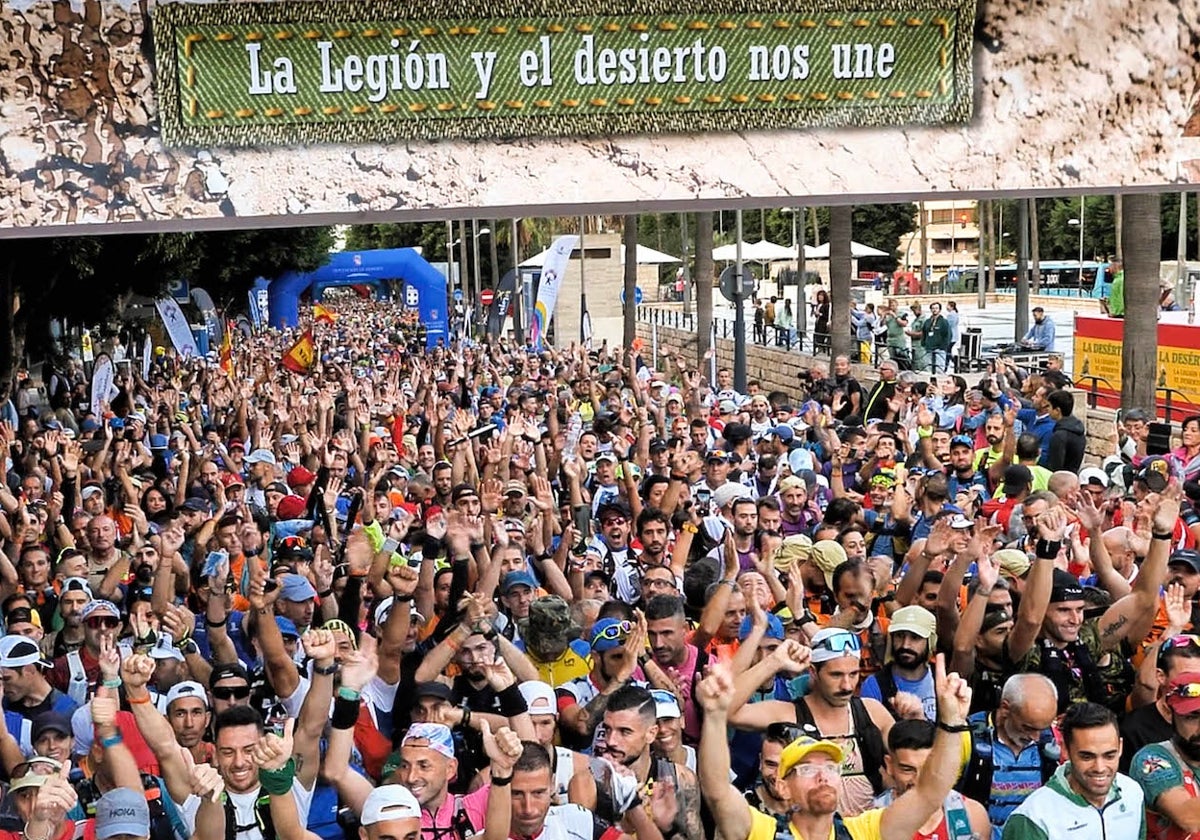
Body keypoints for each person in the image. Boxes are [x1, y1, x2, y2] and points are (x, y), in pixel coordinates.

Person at [699, 656, 976, 840]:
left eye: (831, 767)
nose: (823, 775)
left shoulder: (864, 832)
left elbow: (930, 792)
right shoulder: (764, 832)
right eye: (807, 768)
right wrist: (713, 715)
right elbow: (718, 792)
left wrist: (951, 721)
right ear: (783, 786)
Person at [1001, 702, 1145, 839]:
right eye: (1087, 757)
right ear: (1064, 749)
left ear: (1120, 747)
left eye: (1109, 755)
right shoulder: (1034, 817)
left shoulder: (1133, 792)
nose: (1100, 768)